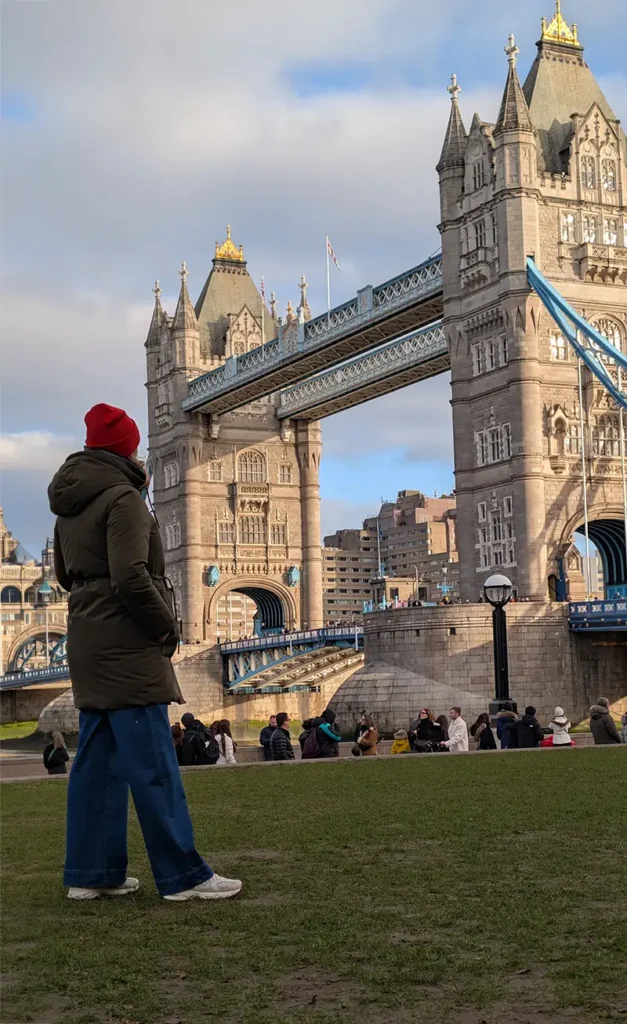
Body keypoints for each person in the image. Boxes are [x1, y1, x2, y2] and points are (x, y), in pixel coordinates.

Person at [49, 403, 241, 902]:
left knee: (97, 767)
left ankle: (92, 875)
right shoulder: (124, 498)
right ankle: (184, 876)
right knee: (154, 765)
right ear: (125, 448)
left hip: (87, 642)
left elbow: (66, 577)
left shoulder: (69, 503)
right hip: (127, 644)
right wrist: (165, 627)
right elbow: (131, 575)